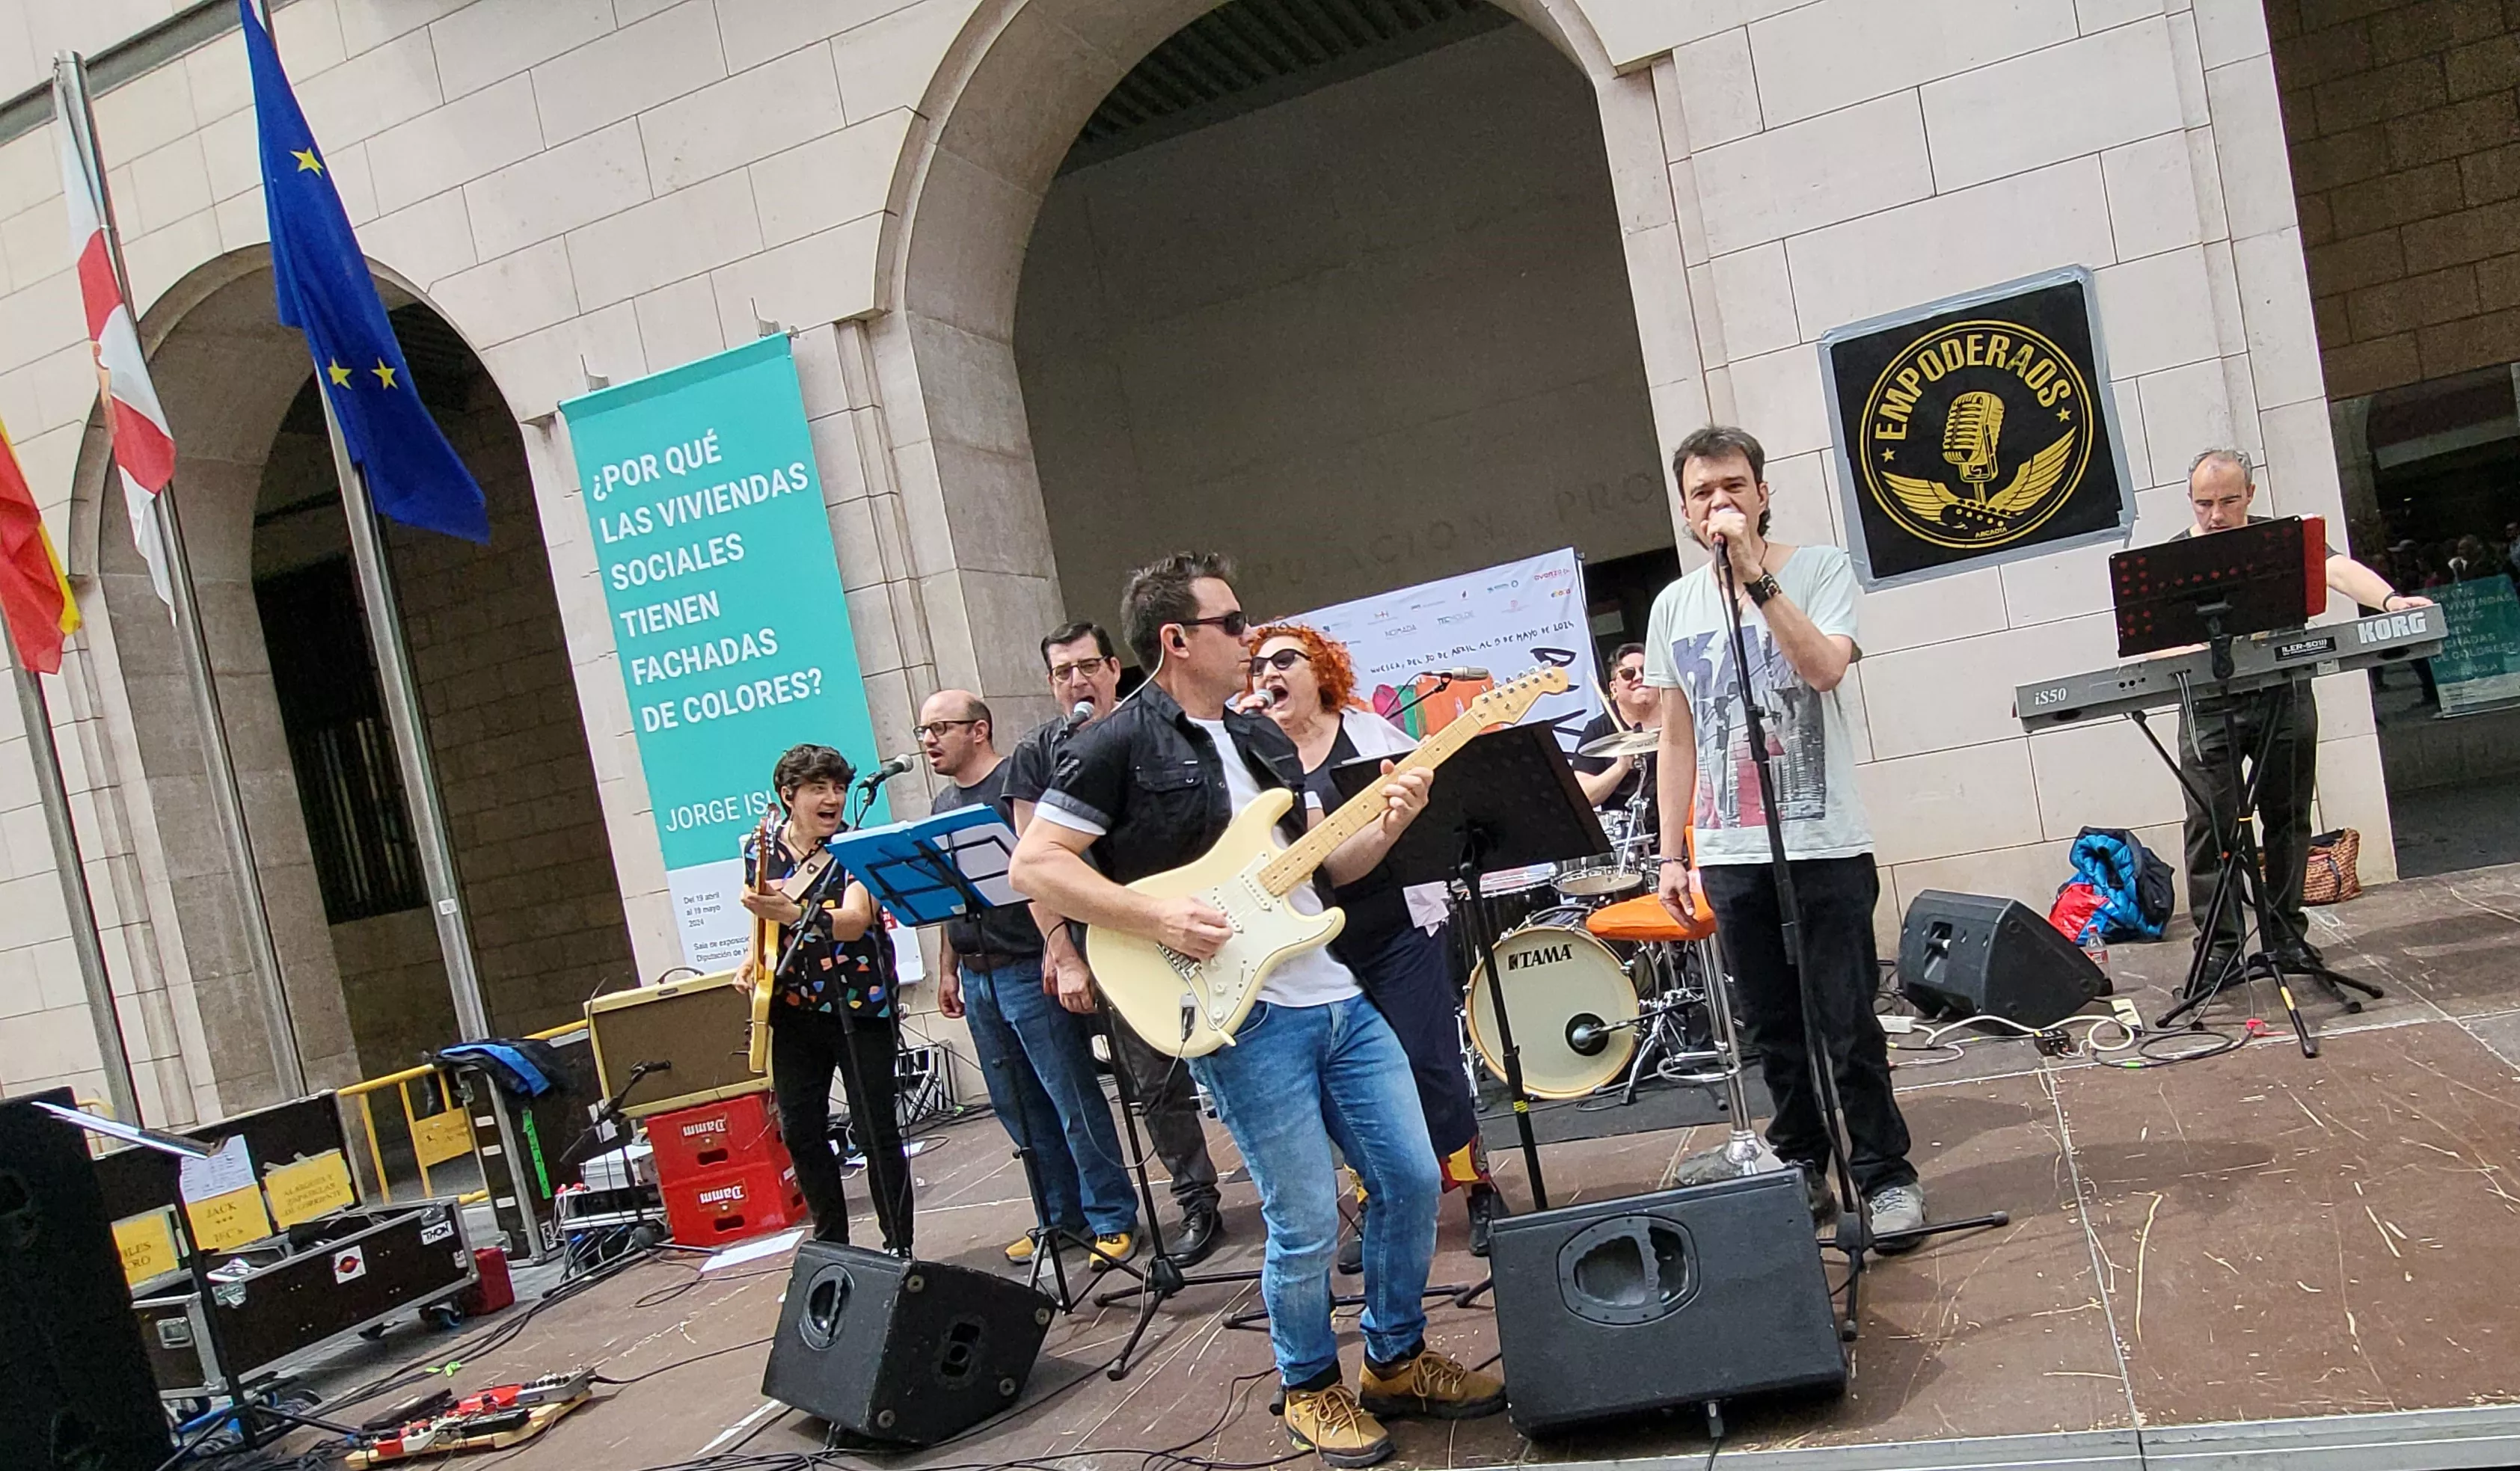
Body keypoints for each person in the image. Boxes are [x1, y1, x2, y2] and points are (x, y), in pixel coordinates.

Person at [1012, 554, 1503, 1467]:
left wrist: (1391, 814)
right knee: (1306, 1215)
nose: (1249, 637)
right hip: (1244, 1017)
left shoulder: (1263, 740)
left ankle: (1394, 1360)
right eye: (1232, 622)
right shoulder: (1118, 742)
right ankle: (1308, 1384)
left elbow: (1328, 868)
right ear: (1177, 638)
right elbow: (1036, 864)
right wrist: (1156, 913)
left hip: (1336, 994)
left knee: (1408, 1177)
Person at [1646, 426, 1925, 1247]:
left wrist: (1759, 580)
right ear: (1689, 509)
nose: (1719, 502)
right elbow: (1677, 737)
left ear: (1763, 492)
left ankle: (1884, 1172)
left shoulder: (1819, 569)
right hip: (1731, 850)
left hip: (1822, 839)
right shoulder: (1674, 607)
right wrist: (1672, 852)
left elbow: (1824, 668)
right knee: (1772, 1025)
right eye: (1702, 492)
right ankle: (1802, 1163)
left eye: (1733, 485)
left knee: (1846, 1016)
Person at [1247, 623, 1508, 1263]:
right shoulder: (1249, 755)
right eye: (1256, 667)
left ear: (1321, 672)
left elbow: (1433, 803)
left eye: (1284, 660)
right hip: (1308, 944)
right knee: (1345, 1083)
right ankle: (1377, 1198)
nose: (1267, 674)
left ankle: (1476, 1188)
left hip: (1394, 925)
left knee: (1430, 1061)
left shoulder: (1366, 734)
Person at [1003, 621, 1227, 1267]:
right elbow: (1034, 865)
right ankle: (1196, 1199)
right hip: (1111, 942)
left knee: (1236, 1055)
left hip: (1192, 915)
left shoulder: (1154, 727)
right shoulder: (1036, 753)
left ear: (1112, 668)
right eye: (1061, 672)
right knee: (1151, 1080)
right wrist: (1063, 951)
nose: (1077, 680)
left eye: (1087, 666)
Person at [2171, 449, 2430, 979]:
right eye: (2203, 504)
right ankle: (2219, 948)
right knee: (2209, 824)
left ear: (2249, 494)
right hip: (2208, 704)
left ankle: (2286, 934)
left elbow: (2334, 567)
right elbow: (2150, 637)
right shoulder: (2174, 556)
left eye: (2226, 501)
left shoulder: (2281, 539)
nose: (2215, 515)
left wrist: (2388, 602)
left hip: (2281, 695)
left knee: (2287, 817)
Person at [920, 690, 1141, 1270]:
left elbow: (1050, 874)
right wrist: (947, 967)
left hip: (1026, 965)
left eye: (940, 727)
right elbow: (951, 898)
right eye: (923, 730)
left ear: (978, 729)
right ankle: (1058, 1217)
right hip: (977, 972)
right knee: (1016, 1107)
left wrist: (1059, 946)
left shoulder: (1013, 789)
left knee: (1070, 1096)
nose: (928, 740)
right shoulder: (943, 802)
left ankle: (1111, 1215)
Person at [738, 744, 913, 1251]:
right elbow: (763, 924)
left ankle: (898, 1245)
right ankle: (830, 1244)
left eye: (837, 787)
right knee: (801, 1130)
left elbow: (856, 920)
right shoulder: (760, 849)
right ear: (788, 796)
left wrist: (794, 915)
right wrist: (753, 963)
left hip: (861, 1005)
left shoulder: (856, 846)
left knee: (876, 1129)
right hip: (793, 1010)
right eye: (819, 787)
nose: (832, 798)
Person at [1569, 642, 1660, 831]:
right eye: (1628, 674)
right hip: (1630, 842)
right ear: (1614, 689)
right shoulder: (1598, 730)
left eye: (1647, 670)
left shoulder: (1679, 719)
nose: (1639, 677)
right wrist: (1620, 768)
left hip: (1688, 833)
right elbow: (1582, 797)